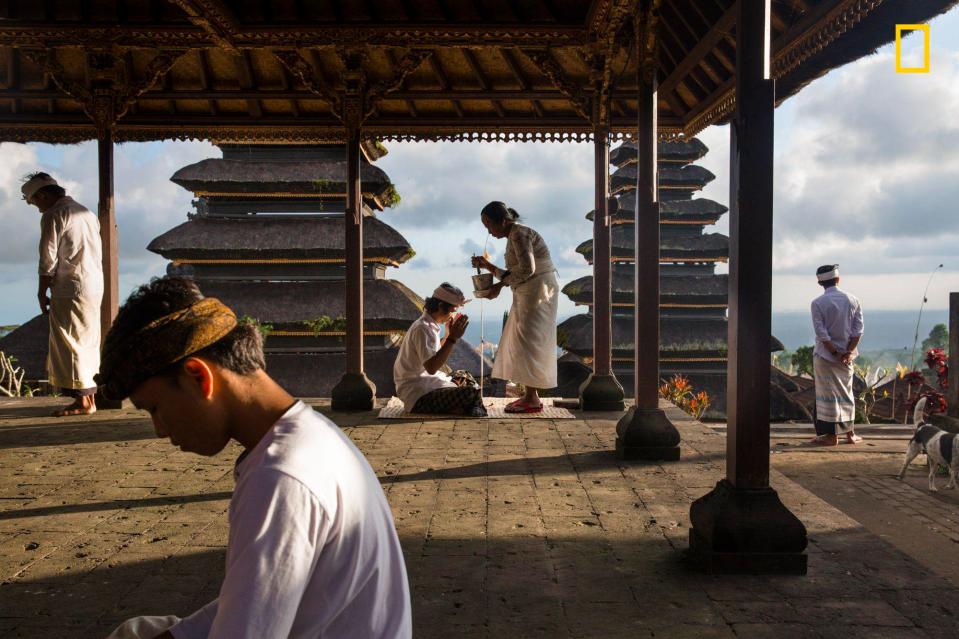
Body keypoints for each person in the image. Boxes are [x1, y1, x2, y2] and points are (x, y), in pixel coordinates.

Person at [97, 277, 411, 639]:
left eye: (155, 408)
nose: (160, 430)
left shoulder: (280, 477)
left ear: (199, 376)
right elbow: (262, 595)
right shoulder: (310, 434)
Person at [22, 172, 102, 416]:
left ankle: (83, 402)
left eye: (35, 202)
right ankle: (90, 398)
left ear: (43, 195)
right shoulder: (86, 213)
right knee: (87, 341)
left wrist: (41, 290)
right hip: (94, 283)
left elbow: (48, 258)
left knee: (70, 342)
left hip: (70, 286)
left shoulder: (54, 214)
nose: (37, 208)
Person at [471, 201, 558, 414]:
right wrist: (488, 267)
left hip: (537, 291)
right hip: (530, 291)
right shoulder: (514, 235)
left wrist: (498, 285)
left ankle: (532, 398)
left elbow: (528, 269)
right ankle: (530, 395)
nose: (489, 232)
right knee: (524, 339)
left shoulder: (519, 234)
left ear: (502, 220)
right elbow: (519, 271)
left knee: (529, 340)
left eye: (489, 225)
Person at [393, 283, 487, 416]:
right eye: (453, 310)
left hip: (428, 386)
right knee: (470, 392)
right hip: (418, 394)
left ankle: (464, 407)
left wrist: (448, 334)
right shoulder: (422, 328)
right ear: (441, 306)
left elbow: (434, 354)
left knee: (464, 375)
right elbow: (432, 367)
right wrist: (452, 339)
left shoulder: (429, 326)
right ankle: (469, 407)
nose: (453, 316)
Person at [809, 264, 865, 446]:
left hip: (825, 356)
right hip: (846, 357)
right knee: (846, 393)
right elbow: (858, 331)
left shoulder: (817, 303)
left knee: (826, 396)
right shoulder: (853, 300)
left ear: (820, 283)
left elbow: (821, 333)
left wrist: (834, 352)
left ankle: (830, 436)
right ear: (838, 279)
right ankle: (850, 434)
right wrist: (847, 352)